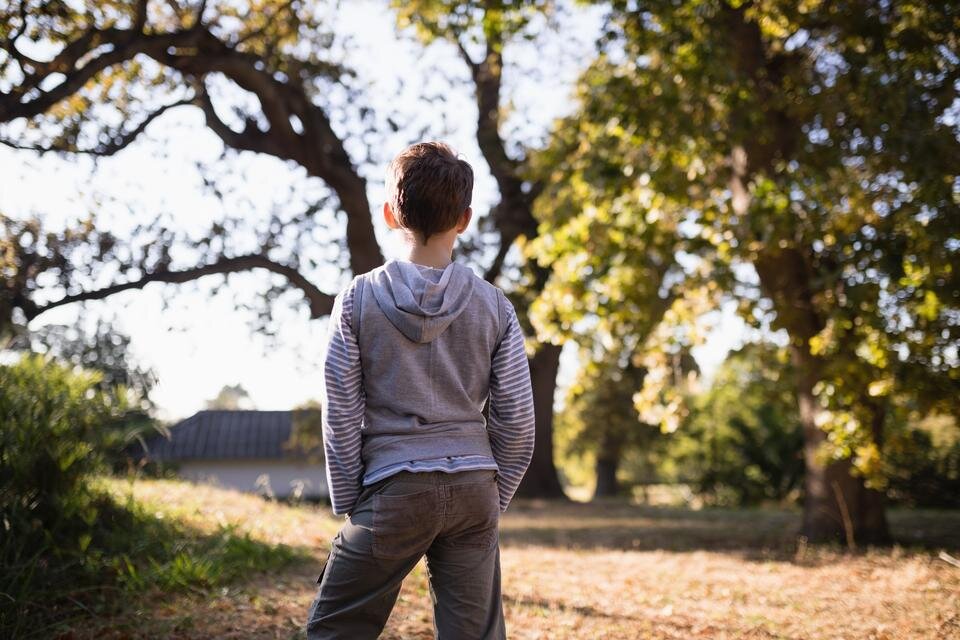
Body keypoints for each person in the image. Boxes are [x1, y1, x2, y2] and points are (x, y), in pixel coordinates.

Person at [305, 141, 536, 640]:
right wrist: (493, 497)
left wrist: (350, 501)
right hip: (476, 485)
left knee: (334, 631)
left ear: (390, 214)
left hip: (393, 489)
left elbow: (341, 413)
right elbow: (516, 419)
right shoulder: (497, 307)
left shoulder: (356, 300)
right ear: (465, 219)